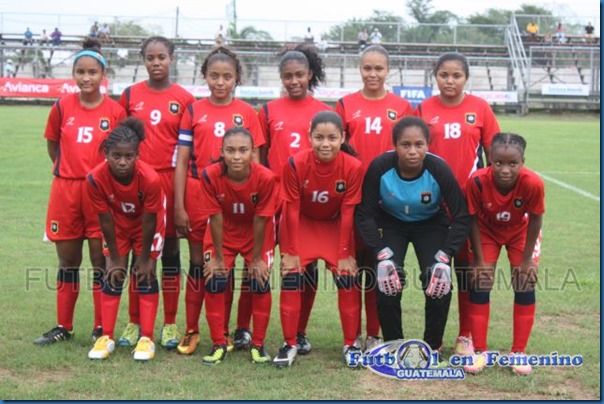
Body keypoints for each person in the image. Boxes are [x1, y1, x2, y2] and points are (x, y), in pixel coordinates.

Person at [355, 116, 471, 365]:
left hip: (430, 224)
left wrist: (445, 256)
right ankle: (395, 344)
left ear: (428, 145)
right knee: (387, 277)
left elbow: (461, 217)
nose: (412, 151)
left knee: (438, 278)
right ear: (394, 145)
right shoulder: (380, 167)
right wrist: (379, 252)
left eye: (419, 144)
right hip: (391, 222)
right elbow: (364, 214)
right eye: (405, 145)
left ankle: (432, 346)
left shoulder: (439, 169)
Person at [34, 38, 127, 346]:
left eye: (92, 72)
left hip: (101, 193)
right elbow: (53, 145)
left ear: (103, 75)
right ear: (73, 75)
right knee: (67, 261)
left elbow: (122, 154)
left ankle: (101, 327)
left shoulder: (115, 111)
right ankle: (63, 325)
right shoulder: (61, 107)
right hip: (66, 191)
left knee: (100, 262)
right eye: (80, 72)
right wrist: (68, 171)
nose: (86, 78)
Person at [174, 46, 265, 355]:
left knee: (229, 263)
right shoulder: (193, 110)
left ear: (237, 78)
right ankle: (191, 330)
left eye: (227, 76)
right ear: (205, 77)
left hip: (235, 198)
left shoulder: (248, 113)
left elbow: (257, 164)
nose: (220, 82)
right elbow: (183, 160)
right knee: (200, 264)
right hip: (199, 192)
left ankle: (226, 331)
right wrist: (179, 205)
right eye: (214, 76)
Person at [415, 52, 500, 357]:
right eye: (443, 75)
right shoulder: (423, 109)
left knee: (466, 272)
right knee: (434, 275)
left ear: (466, 78)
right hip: (433, 208)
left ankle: (465, 337)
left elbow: (496, 158)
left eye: (456, 76)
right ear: (434, 76)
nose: (449, 81)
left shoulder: (480, 109)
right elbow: (412, 155)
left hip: (469, 209)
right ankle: (433, 341)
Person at [118, 36, 195, 350]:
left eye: (162, 56)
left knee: (172, 254)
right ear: (143, 60)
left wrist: (179, 202)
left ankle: (170, 323)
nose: (156, 62)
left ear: (172, 58)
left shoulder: (185, 99)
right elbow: (120, 143)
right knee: (141, 251)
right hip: (135, 183)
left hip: (170, 180)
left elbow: (186, 151)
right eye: (150, 57)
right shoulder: (130, 95)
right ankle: (135, 321)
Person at [335, 44, 413, 352]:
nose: (373, 74)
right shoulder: (345, 104)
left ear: (388, 70)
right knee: (354, 267)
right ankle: (351, 335)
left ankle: (374, 334)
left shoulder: (403, 107)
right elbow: (336, 148)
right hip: (354, 198)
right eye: (367, 68)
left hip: (390, 200)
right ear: (360, 69)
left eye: (379, 68)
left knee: (380, 268)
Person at [257, 44, 331, 355]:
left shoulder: (324, 112)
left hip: (308, 204)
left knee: (305, 269)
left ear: (310, 74)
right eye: (287, 76)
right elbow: (260, 158)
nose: (293, 81)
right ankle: (248, 331)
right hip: (273, 198)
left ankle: (299, 332)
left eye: (299, 75)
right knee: (259, 262)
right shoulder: (268, 111)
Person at [274, 111, 363, 368]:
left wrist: (346, 252)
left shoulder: (353, 166)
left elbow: (348, 211)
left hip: (335, 226)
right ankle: (289, 343)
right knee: (292, 277)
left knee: (347, 280)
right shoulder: (295, 163)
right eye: (319, 137)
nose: (326, 143)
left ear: (342, 137)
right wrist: (290, 250)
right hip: (301, 224)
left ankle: (350, 344)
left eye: (332, 138)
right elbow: (291, 208)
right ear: (309, 137)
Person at [462, 133, 544, 376]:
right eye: (498, 163)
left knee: (524, 282)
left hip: (520, 232)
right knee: (481, 281)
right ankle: (480, 351)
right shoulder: (476, 181)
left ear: (522, 161)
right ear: (490, 159)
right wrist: (478, 260)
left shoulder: (533, 183)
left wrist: (527, 261)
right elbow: (472, 219)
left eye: (513, 163)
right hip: (486, 231)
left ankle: (518, 352)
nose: (505, 169)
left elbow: (536, 219)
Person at [86, 117, 166, 361]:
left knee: (146, 273)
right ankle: (106, 336)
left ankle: (147, 339)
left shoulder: (150, 178)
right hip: (118, 224)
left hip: (147, 225)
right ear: (106, 154)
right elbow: (105, 219)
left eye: (129, 156)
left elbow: (150, 219)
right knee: (114, 273)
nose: (122, 162)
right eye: (116, 156)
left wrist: (144, 259)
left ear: (137, 155)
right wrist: (116, 258)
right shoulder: (95, 178)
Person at [198, 127, 277, 365]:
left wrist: (255, 259)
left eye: (243, 150)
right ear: (221, 151)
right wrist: (219, 258)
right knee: (216, 280)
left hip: (257, 234)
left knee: (259, 281)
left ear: (253, 152)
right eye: (230, 150)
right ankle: (218, 343)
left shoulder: (265, 177)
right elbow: (215, 217)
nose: (237, 156)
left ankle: (258, 344)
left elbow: (261, 218)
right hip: (223, 232)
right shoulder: (210, 175)